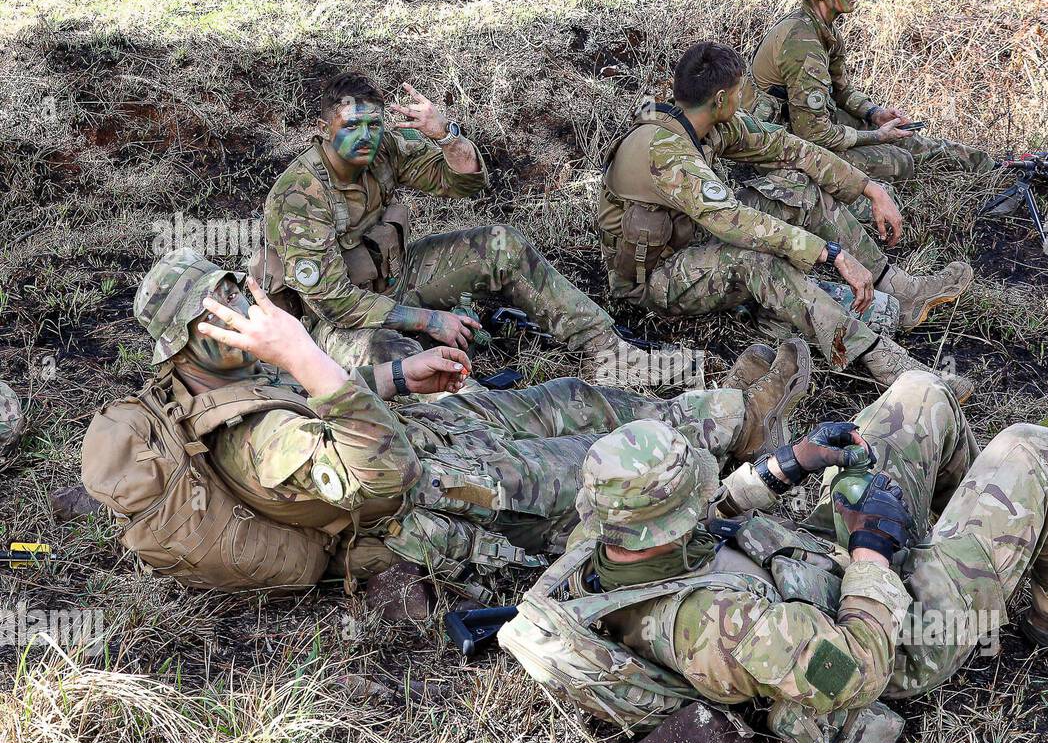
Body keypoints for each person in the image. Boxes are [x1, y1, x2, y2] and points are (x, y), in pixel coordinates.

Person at [501, 371, 1048, 743]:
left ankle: (972, 533)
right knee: (1035, 452)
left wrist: (784, 465)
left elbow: (699, 513)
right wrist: (873, 553)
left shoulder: (606, 533)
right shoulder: (724, 632)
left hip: (811, 568)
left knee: (920, 393)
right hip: (898, 634)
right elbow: (861, 668)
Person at [93, 248, 812, 593]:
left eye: (237, 295)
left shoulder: (226, 373)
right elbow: (383, 478)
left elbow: (299, 395)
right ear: (184, 340)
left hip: (421, 430)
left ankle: (703, 414)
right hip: (430, 488)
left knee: (565, 395)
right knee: (597, 459)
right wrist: (307, 355)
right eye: (218, 312)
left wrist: (397, 377)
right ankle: (732, 427)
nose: (247, 314)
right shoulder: (252, 442)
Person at [600, 41, 975, 400]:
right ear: (720, 100)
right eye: (738, 91)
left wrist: (868, 188)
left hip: (692, 238)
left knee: (797, 188)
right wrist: (830, 254)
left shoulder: (701, 121)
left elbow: (789, 149)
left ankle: (896, 288)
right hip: (652, 280)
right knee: (759, 262)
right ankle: (885, 362)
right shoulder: (666, 153)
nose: (742, 97)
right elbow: (735, 221)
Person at [258, 71, 650, 368]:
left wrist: (446, 135)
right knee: (394, 355)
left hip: (392, 280)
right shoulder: (300, 195)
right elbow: (332, 302)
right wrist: (428, 321)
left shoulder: (385, 151)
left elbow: (463, 183)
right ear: (323, 130)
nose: (366, 137)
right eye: (351, 127)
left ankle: (609, 350)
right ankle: (474, 425)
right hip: (324, 322)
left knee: (501, 245)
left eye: (373, 125)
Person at [750, 0, 996, 185]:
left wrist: (874, 113)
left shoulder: (823, 29)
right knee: (898, 161)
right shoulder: (802, 43)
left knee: (906, 140)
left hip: (810, 122)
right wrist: (875, 136)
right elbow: (813, 134)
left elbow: (841, 90)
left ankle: (994, 167)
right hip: (780, 141)